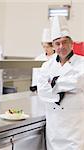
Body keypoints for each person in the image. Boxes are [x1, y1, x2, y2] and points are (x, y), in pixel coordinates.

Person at [37, 16, 84, 150]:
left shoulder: (82, 63)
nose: (61, 46)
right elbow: (42, 91)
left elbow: (79, 82)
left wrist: (53, 83)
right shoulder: (46, 65)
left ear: (71, 43)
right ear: (53, 45)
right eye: (57, 43)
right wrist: (65, 88)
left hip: (75, 127)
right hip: (54, 127)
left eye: (65, 42)